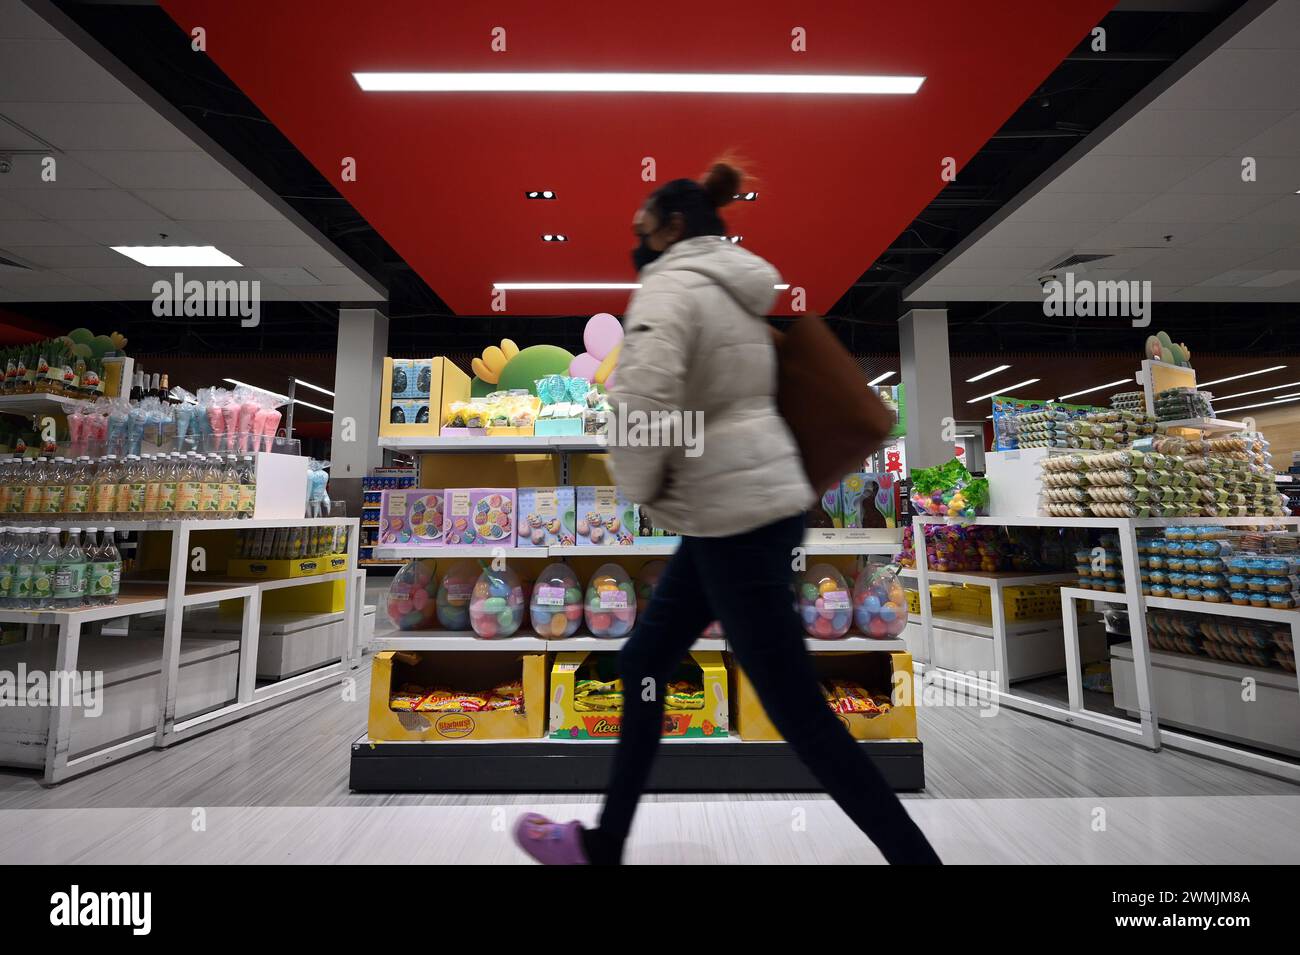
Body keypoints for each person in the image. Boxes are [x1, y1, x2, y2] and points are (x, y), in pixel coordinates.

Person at [514, 163, 940, 865]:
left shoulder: (670, 289)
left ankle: (918, 860)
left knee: (798, 713)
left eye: (642, 227)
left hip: (733, 516)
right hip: (747, 505)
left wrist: (638, 488)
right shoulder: (734, 286)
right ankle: (602, 843)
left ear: (675, 227)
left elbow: (645, 408)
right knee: (647, 655)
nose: (635, 242)